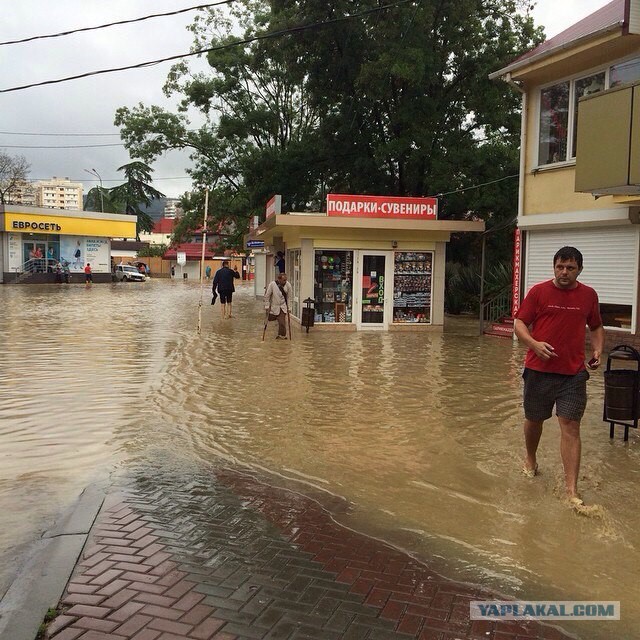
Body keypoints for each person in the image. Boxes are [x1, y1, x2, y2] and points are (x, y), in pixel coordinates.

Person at [514, 246, 604, 507]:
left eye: (570, 268)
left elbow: (596, 325)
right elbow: (520, 323)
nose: (564, 272)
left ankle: (571, 490)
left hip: (573, 373)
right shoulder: (539, 292)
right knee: (534, 419)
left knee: (571, 426)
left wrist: (597, 349)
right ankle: (531, 457)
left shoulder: (588, 295)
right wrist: (533, 344)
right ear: (554, 267)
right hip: (538, 371)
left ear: (579, 270)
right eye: (560, 267)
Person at [264, 272, 293, 339]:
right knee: (269, 319)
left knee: (282, 322)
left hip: (282, 307)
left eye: (286, 280)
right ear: (279, 279)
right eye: (284, 280)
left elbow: (289, 297)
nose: (285, 281)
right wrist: (267, 306)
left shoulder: (288, 285)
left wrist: (289, 307)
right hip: (274, 306)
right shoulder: (272, 284)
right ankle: (276, 327)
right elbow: (267, 296)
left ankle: (281, 336)